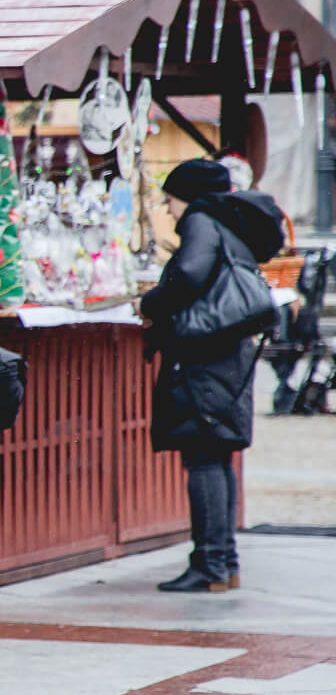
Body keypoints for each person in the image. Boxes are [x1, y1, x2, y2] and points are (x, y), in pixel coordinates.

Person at [140, 159, 286, 593]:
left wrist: (150, 304)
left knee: (203, 457)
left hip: (204, 354)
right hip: (225, 351)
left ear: (186, 196)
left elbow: (188, 273)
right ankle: (223, 561)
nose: (167, 210)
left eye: (169, 199)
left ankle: (209, 565)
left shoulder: (202, 219)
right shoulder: (227, 223)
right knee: (216, 456)